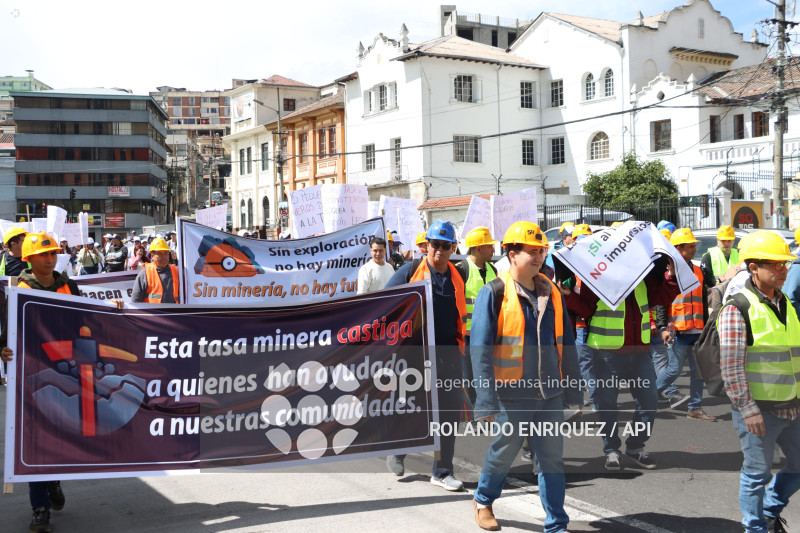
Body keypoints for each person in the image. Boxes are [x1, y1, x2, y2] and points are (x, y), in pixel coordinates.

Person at [470, 221, 581, 532]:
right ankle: (482, 500)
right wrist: (485, 400)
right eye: (531, 252)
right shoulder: (493, 293)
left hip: (550, 394)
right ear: (511, 253)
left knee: (551, 460)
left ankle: (557, 523)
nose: (538, 257)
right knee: (503, 454)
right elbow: (479, 351)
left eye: (542, 251)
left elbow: (567, 344)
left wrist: (574, 391)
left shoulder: (553, 292)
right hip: (512, 393)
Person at [562, 236, 680, 470]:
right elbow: (586, 308)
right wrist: (568, 296)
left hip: (640, 351)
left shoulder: (645, 274)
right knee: (607, 404)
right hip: (607, 352)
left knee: (648, 402)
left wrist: (673, 276)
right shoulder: (597, 275)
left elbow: (662, 298)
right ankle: (611, 449)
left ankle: (636, 446)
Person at [718, 230, 800, 533]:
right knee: (756, 475)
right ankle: (754, 528)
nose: (784, 270)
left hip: (792, 406)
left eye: (785, 264)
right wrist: (746, 408)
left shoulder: (785, 304)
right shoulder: (737, 308)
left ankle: (768, 510)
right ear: (754, 268)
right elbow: (731, 367)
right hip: (759, 411)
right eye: (776, 264)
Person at [0, 231, 77, 532]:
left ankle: (53, 481)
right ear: (29, 259)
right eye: (43, 255)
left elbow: (92, 320)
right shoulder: (18, 290)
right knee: (34, 438)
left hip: (67, 372)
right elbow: (7, 330)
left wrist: (116, 311)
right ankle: (40, 506)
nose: (49, 259)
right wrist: (3, 349)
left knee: (57, 437)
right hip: (30, 373)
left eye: (53, 254)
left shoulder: (69, 285)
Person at [384, 220, 466, 491]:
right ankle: (397, 450)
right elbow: (385, 304)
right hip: (416, 354)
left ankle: (443, 471)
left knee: (448, 415)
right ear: (426, 246)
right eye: (435, 245)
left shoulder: (457, 275)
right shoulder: (409, 272)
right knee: (412, 408)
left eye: (446, 245)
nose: (440, 250)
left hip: (449, 354)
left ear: (453, 247)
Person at [654, 228, 716, 421]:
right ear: (679, 248)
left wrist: (706, 327)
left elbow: (703, 301)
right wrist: (663, 327)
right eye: (691, 246)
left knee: (697, 372)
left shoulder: (698, 270)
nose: (695, 249)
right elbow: (662, 302)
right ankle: (649, 395)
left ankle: (695, 408)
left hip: (697, 329)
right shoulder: (668, 271)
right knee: (674, 369)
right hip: (677, 331)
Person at [455, 226, 498, 405]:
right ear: (478, 248)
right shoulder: (461, 270)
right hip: (467, 336)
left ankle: (486, 409)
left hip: (488, 334)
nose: (494, 249)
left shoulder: (492, 270)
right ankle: (472, 413)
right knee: (469, 377)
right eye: (489, 246)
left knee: (487, 374)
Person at [129, 238, 179, 303]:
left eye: (166, 253)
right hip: (152, 313)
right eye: (159, 253)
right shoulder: (145, 273)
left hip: (173, 313)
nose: (163, 256)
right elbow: (135, 301)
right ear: (152, 256)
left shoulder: (176, 271)